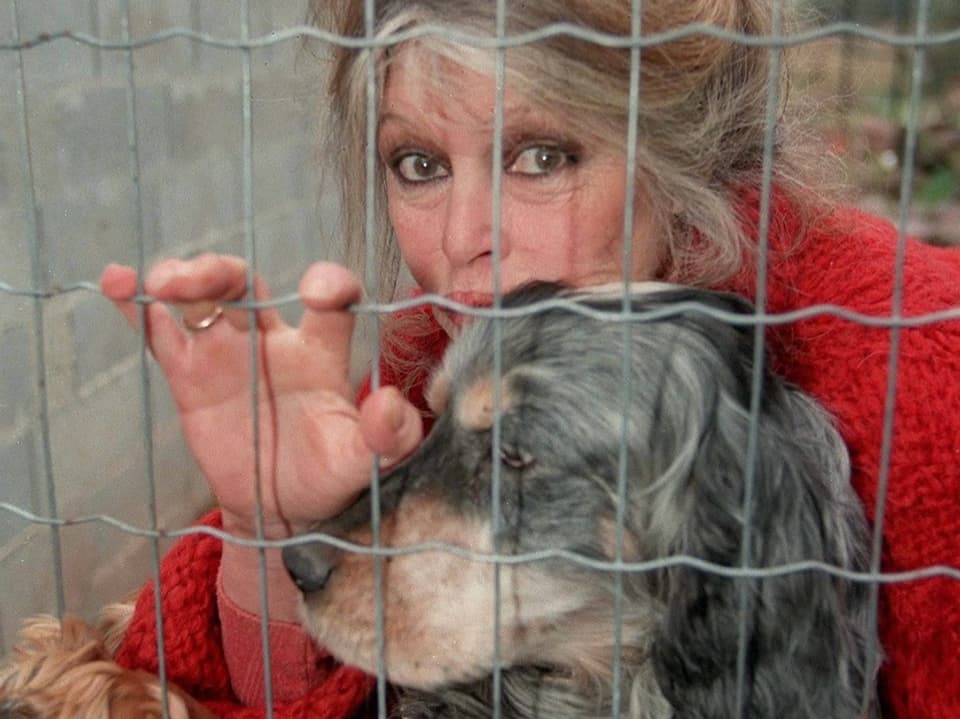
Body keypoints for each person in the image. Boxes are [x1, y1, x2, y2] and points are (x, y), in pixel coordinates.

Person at [98, 0, 960, 717]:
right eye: (419, 163)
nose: (465, 240)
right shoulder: (438, 364)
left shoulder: (919, 369)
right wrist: (265, 529)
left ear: (679, 157)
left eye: (543, 155)